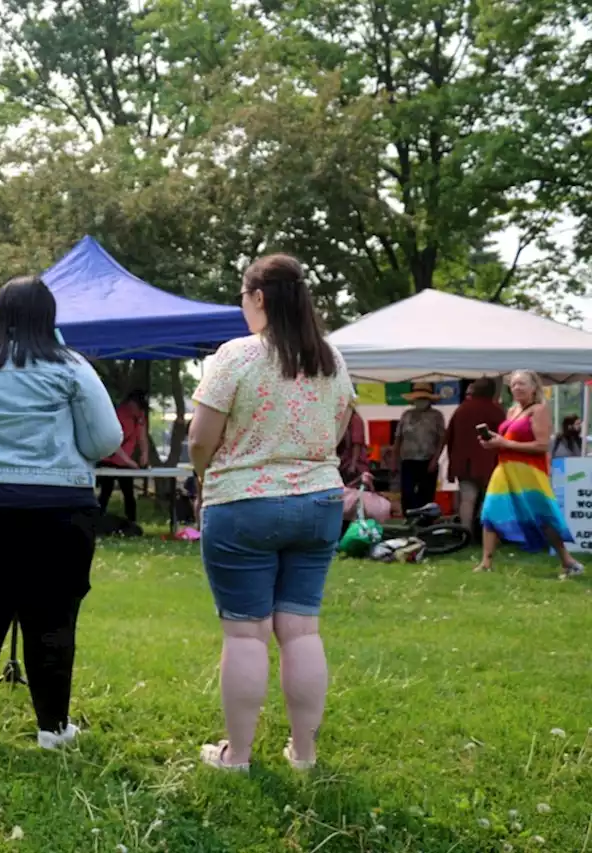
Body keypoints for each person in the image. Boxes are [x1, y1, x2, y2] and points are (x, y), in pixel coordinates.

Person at [0, 275, 122, 751]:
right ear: (48, 317)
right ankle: (53, 729)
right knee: (53, 618)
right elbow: (105, 440)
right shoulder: (72, 368)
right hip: (58, 507)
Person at [188, 253, 354, 772]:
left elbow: (199, 438)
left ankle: (237, 755)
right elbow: (341, 422)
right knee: (301, 630)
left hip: (243, 504)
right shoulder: (329, 357)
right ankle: (304, 754)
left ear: (259, 297)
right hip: (319, 500)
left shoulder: (235, 356)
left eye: (243, 296)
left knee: (246, 633)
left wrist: (206, 473)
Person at [477, 370, 583, 578]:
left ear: (534, 387)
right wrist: (493, 443)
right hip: (504, 468)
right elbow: (508, 442)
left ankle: (567, 560)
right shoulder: (512, 410)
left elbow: (542, 445)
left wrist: (504, 442)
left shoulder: (539, 410)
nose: (517, 388)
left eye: (522, 384)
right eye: (514, 384)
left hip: (529, 471)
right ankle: (486, 562)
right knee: (490, 511)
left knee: (542, 516)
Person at [445, 378, 506, 533]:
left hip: (463, 463)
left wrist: (452, 461)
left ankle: (466, 533)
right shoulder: (496, 410)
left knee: (467, 498)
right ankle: (486, 533)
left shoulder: (462, 409)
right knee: (489, 498)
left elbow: (449, 436)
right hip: (488, 463)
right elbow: (504, 436)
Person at [394, 383, 446, 515]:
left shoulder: (437, 416)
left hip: (428, 461)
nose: (420, 402)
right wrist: (395, 460)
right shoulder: (406, 415)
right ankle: (408, 521)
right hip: (408, 460)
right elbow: (398, 438)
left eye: (423, 399)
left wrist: (435, 459)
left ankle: (426, 523)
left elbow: (442, 439)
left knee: (426, 495)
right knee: (407, 494)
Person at [97, 390, 149, 521]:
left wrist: (144, 454)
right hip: (109, 459)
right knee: (106, 491)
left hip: (124, 463)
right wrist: (129, 462)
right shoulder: (117, 415)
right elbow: (113, 442)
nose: (137, 411)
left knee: (128, 492)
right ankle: (96, 521)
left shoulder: (140, 417)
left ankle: (132, 521)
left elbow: (142, 437)